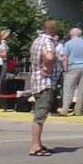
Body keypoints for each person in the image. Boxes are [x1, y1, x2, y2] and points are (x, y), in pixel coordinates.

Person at [25, 20, 63, 156]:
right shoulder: (48, 41)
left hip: (36, 80)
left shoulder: (37, 40)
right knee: (40, 114)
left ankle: (39, 143)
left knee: (39, 112)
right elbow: (50, 56)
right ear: (53, 30)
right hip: (45, 82)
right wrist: (48, 68)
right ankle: (35, 146)